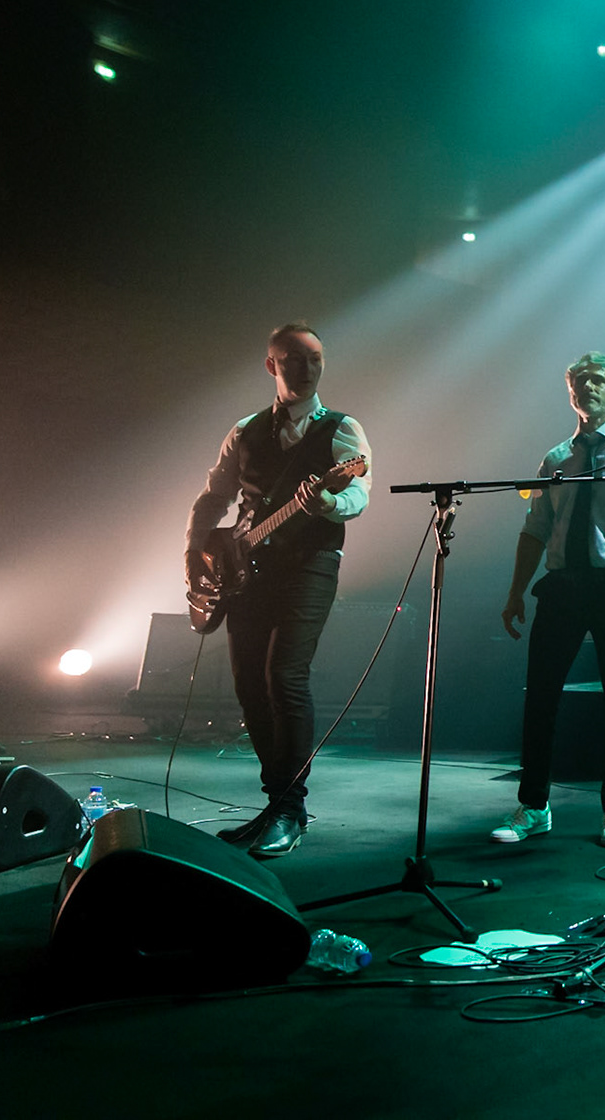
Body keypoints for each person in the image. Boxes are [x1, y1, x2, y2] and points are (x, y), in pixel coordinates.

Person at [186, 322, 372, 858]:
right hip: (245, 569)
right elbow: (211, 499)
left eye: (315, 359)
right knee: (248, 684)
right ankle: (276, 802)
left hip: (310, 564)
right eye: (294, 358)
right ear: (272, 365)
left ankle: (291, 810)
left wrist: (327, 503)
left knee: (285, 675)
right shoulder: (244, 430)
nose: (307, 368)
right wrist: (194, 558)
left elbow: (358, 492)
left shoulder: (341, 430)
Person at [494, 352, 605, 849]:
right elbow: (534, 529)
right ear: (570, 392)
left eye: (598, 380)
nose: (587, 387)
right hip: (563, 585)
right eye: (579, 381)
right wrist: (514, 592)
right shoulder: (555, 459)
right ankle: (534, 806)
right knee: (541, 697)